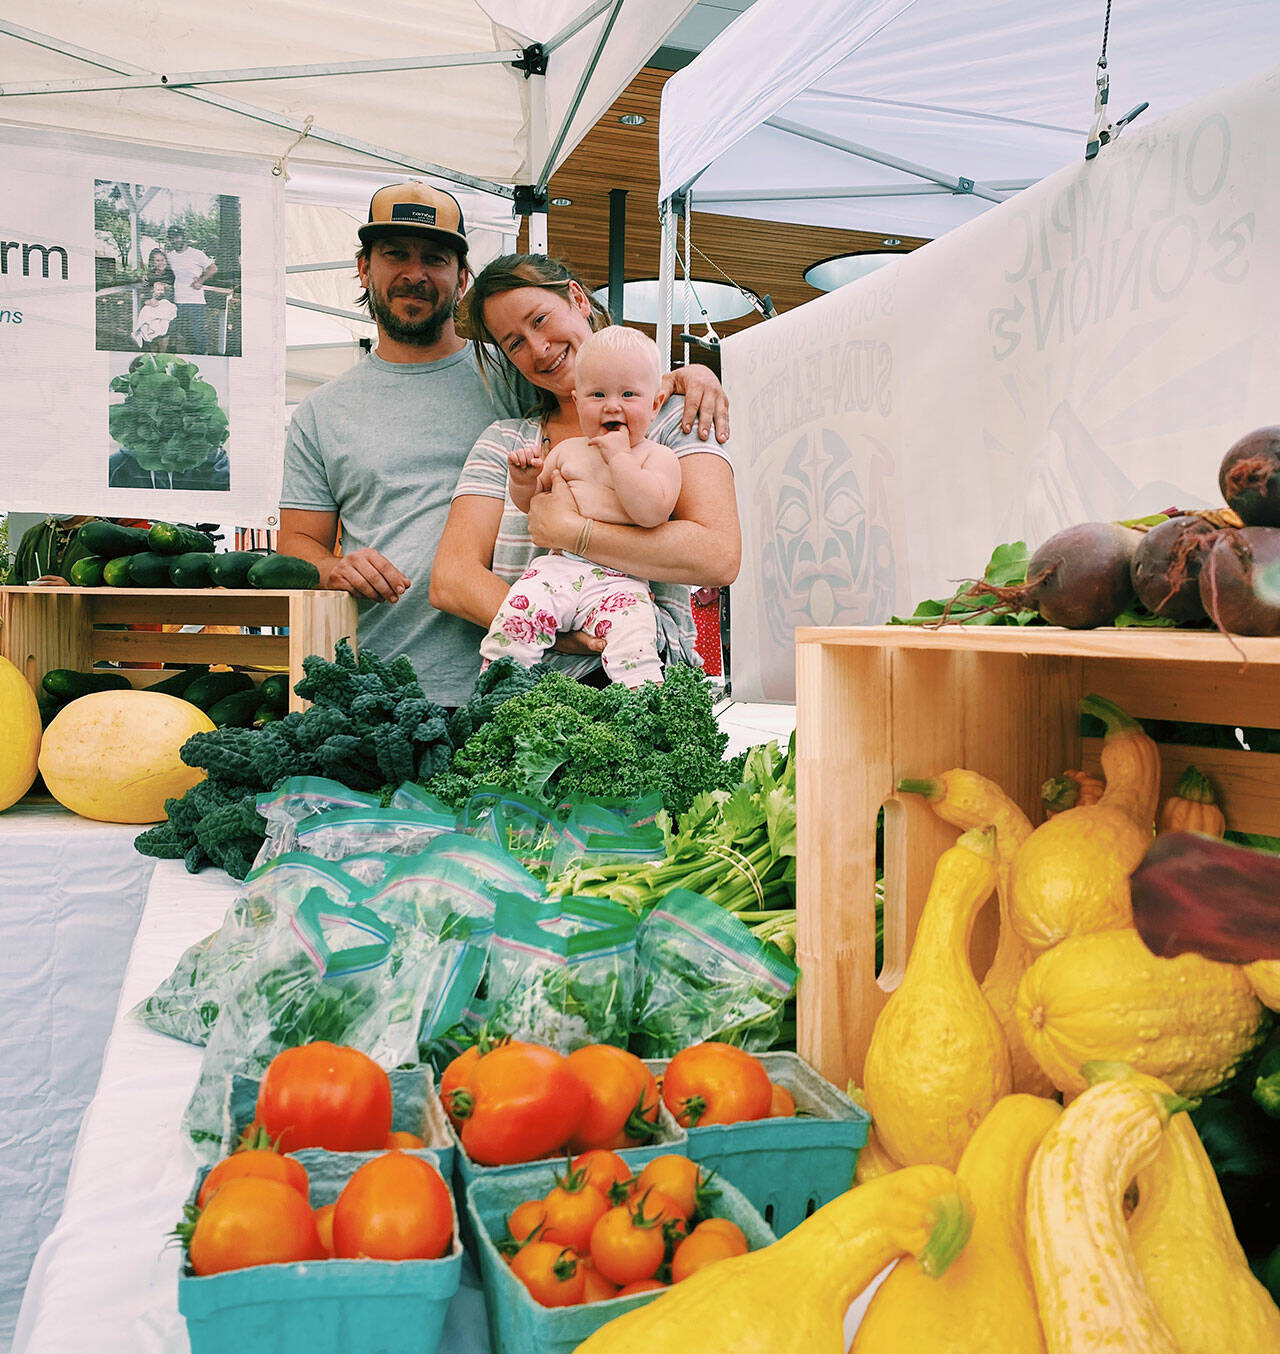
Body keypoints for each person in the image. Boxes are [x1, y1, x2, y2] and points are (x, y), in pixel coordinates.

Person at [278, 182, 730, 708]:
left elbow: (602, 382)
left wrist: (687, 375)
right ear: (364, 268)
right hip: (396, 669)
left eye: (436, 258)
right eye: (394, 254)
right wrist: (334, 568)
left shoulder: (503, 374)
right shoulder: (327, 411)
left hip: (528, 679)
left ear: (460, 275)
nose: (415, 273)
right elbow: (300, 545)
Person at [430, 254, 740, 689]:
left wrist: (575, 533)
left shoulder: (674, 419)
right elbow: (451, 581)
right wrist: (562, 632)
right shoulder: (506, 442)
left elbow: (718, 557)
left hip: (641, 681)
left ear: (577, 298)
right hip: (531, 688)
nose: (537, 347)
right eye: (514, 342)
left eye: (539, 319)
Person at [480, 326, 680, 685]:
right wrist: (524, 480)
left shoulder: (658, 458)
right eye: (597, 394)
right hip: (559, 569)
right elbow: (532, 506)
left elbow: (652, 513)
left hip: (621, 581)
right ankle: (501, 689)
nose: (612, 405)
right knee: (517, 614)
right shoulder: (567, 451)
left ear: (654, 405)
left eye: (629, 394)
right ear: (577, 401)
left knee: (635, 643)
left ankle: (642, 704)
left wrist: (620, 459)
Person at [164, 226, 216, 354]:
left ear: (183, 237)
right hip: (177, 300)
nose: (174, 240)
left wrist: (200, 280)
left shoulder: (196, 254)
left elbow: (213, 268)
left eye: (177, 237)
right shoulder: (170, 256)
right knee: (181, 332)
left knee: (197, 333)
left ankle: (202, 358)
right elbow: (162, 270)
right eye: (171, 238)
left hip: (195, 301)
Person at [131, 278, 177, 352]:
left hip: (165, 324)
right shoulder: (148, 300)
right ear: (152, 290)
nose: (160, 292)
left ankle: (162, 354)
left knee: (163, 343)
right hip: (151, 324)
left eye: (162, 290)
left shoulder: (166, 301)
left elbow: (171, 312)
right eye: (158, 290)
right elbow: (145, 313)